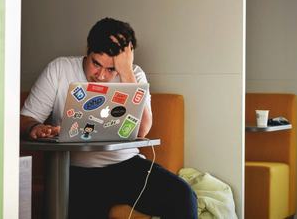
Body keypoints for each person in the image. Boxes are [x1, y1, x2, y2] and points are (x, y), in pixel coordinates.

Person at [20, 17, 198, 219]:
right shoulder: (60, 69)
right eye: (96, 64)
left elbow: (142, 130)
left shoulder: (134, 75)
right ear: (88, 49)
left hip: (126, 166)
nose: (102, 75)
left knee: (183, 196)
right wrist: (35, 127)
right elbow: (25, 119)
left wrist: (126, 73)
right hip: (76, 171)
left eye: (111, 69)